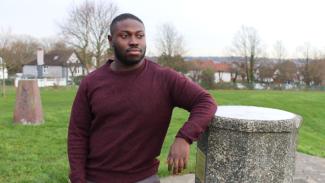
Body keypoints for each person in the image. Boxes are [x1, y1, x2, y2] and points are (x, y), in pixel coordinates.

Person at [68, 13, 217, 183]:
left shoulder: (165, 78)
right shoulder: (91, 82)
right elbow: (77, 134)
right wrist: (78, 179)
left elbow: (206, 102)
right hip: (95, 178)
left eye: (140, 35)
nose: (134, 41)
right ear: (110, 40)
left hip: (143, 178)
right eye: (125, 35)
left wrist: (184, 138)